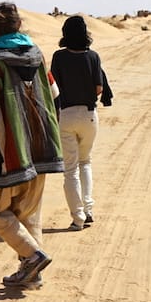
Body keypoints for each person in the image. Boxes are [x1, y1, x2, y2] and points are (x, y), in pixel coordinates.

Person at [0, 2, 64, 288]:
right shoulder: (37, 56)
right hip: (38, 147)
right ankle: (33, 275)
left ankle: (32, 257)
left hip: (5, 150)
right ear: (19, 25)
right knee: (30, 212)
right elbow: (54, 97)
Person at [50, 15, 105, 231]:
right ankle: (88, 209)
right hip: (90, 115)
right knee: (86, 162)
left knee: (70, 169)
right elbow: (99, 88)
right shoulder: (94, 57)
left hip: (66, 115)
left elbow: (53, 88)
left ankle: (78, 217)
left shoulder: (59, 57)